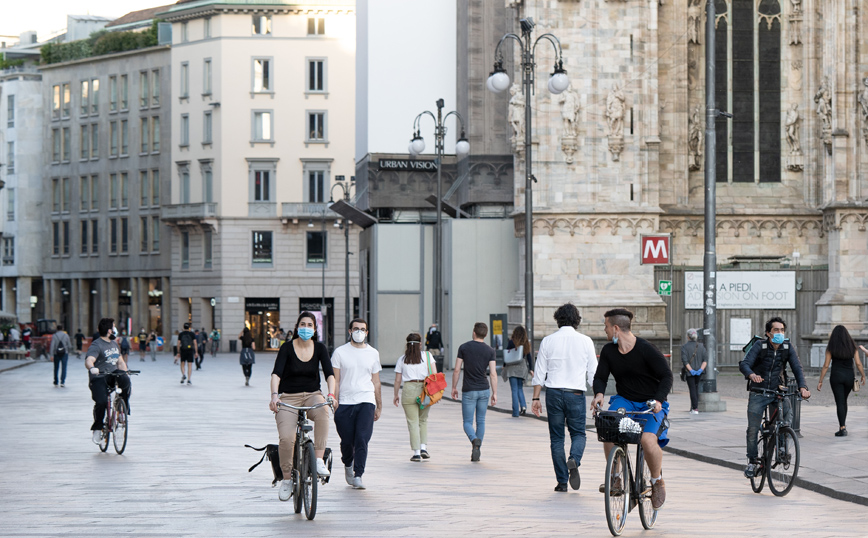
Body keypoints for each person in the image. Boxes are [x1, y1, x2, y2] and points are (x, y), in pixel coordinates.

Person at [591, 308, 672, 510]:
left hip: (650, 403)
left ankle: (656, 480)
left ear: (616, 328)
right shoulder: (609, 351)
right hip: (625, 400)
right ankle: (616, 476)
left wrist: (659, 400)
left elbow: (666, 376)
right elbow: (600, 377)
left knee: (647, 439)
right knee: (607, 426)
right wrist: (599, 394)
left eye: (606, 326)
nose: (605, 330)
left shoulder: (646, 349)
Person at [531, 304, 598, 492]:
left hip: (553, 393)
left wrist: (535, 399)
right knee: (578, 433)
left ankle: (562, 482)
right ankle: (574, 459)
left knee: (557, 438)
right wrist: (597, 394)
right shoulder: (586, 341)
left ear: (557, 319)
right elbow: (593, 372)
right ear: (577, 319)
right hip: (575, 393)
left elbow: (539, 372)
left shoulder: (548, 341)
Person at [270, 311, 335, 502]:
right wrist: (275, 396)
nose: (305, 328)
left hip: (313, 395)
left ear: (315, 329)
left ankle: (318, 459)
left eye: (309, 325)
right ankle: (288, 478)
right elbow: (276, 374)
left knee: (323, 412)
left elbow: (330, 374)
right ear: (297, 327)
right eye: (302, 324)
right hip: (289, 397)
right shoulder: (287, 348)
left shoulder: (320, 348)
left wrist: (331, 395)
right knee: (287, 438)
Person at [739, 317, 810, 479]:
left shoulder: (787, 347)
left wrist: (803, 387)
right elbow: (745, 364)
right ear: (768, 333)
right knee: (753, 429)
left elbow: (797, 367)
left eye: (782, 330)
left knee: (786, 419)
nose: (780, 333)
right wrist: (752, 375)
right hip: (759, 391)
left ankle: (782, 449)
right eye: (776, 330)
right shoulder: (760, 346)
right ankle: (752, 461)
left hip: (778, 390)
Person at [332, 318, 382, 490]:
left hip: (366, 400)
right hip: (345, 402)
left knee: (362, 439)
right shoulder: (339, 353)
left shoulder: (373, 353)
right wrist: (334, 399)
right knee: (347, 441)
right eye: (356, 329)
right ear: (349, 331)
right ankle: (348, 463)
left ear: (367, 332)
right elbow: (336, 381)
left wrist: (378, 404)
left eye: (362, 329)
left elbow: (376, 382)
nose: (359, 332)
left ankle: (359, 474)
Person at [451, 322, 497, 462]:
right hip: (484, 389)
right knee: (481, 421)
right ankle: (477, 448)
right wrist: (494, 393)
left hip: (469, 390)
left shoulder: (464, 347)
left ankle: (474, 440)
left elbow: (457, 369)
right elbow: (493, 373)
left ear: (474, 332)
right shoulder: (490, 350)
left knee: (467, 422)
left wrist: (454, 387)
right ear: (486, 334)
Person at [85, 318, 131, 444]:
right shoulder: (97, 344)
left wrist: (125, 372)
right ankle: (98, 428)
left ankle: (122, 409)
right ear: (110, 330)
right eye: (114, 327)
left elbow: (120, 362)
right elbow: (89, 360)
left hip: (112, 374)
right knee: (102, 402)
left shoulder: (114, 344)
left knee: (125, 379)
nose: (116, 329)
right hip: (99, 376)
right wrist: (92, 368)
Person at [394, 333, 437, 462]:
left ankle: (416, 453)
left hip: (408, 389)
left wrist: (396, 394)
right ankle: (424, 447)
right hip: (424, 389)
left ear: (407, 344)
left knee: (413, 422)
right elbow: (434, 374)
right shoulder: (428, 356)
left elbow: (397, 380)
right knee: (423, 420)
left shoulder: (402, 359)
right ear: (420, 344)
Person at [817, 325, 866, 436]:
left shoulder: (831, 347)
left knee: (840, 401)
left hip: (836, 377)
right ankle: (843, 426)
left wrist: (820, 381)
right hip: (849, 377)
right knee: (844, 400)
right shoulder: (852, 346)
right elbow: (858, 363)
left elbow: (826, 365)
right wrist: (863, 375)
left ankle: (842, 427)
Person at [503, 325, 534, 417]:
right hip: (522, 367)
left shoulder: (512, 342)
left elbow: (507, 355)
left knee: (514, 390)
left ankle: (515, 412)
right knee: (520, 388)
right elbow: (529, 357)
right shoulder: (526, 343)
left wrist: (504, 366)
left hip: (512, 368)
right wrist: (531, 369)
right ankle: (523, 406)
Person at [681, 328, 707, 414]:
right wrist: (700, 370)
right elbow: (705, 360)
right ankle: (694, 407)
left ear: (688, 337)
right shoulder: (701, 346)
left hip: (690, 372)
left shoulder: (684, 347)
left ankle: (694, 408)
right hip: (699, 372)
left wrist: (691, 370)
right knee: (696, 388)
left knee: (692, 389)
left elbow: (685, 361)